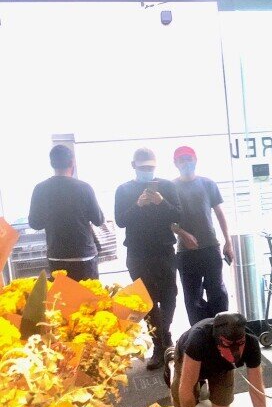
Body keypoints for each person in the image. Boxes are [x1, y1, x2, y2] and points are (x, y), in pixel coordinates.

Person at [115, 147, 181, 370]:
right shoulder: (123, 190)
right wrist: (137, 205)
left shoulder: (167, 186)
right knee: (147, 300)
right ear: (133, 166)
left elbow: (178, 215)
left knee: (170, 294)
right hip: (137, 253)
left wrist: (162, 202)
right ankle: (160, 344)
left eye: (151, 168)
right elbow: (120, 221)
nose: (147, 171)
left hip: (164, 250)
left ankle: (165, 335)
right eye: (143, 168)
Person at [172, 145, 234, 326]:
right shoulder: (171, 187)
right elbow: (167, 221)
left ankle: (221, 331)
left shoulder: (208, 184)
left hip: (210, 247)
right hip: (186, 252)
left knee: (218, 293)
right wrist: (182, 233)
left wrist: (228, 242)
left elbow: (219, 213)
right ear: (175, 163)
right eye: (182, 160)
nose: (186, 163)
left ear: (196, 160)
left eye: (189, 159)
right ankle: (200, 334)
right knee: (193, 298)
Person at [28, 144, 104, 280]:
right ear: (71, 163)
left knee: (61, 294)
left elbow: (35, 223)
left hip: (57, 256)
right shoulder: (84, 188)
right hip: (84, 255)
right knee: (88, 293)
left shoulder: (40, 189)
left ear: (52, 163)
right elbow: (98, 220)